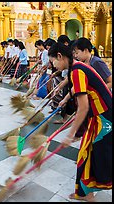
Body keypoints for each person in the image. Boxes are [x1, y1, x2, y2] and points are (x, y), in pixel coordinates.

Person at [48, 42, 112, 202]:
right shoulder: (77, 68)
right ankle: (85, 193)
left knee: (90, 154)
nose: (53, 65)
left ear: (60, 56)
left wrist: (70, 135)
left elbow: (83, 108)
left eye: (53, 61)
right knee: (87, 153)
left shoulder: (77, 71)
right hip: (99, 114)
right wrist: (66, 99)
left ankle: (86, 194)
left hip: (103, 116)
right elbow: (79, 90)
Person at [44, 38, 63, 112]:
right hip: (53, 73)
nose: (48, 49)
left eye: (49, 47)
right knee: (53, 89)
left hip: (59, 74)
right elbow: (50, 64)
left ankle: (58, 108)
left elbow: (61, 68)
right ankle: (54, 106)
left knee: (58, 92)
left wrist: (55, 73)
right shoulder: (51, 54)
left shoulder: (58, 55)